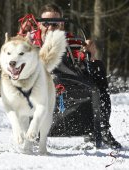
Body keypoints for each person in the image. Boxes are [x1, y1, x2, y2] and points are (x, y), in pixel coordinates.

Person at [38, 3, 122, 149]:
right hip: (37, 90)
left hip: (69, 87)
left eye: (55, 24)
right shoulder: (28, 42)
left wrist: (91, 55)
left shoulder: (73, 42)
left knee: (98, 67)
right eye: (46, 23)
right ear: (39, 25)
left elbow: (85, 64)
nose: (50, 27)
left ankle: (102, 127)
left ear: (62, 25)